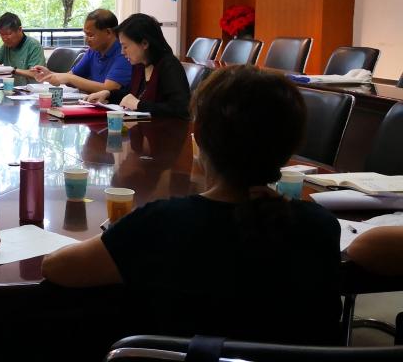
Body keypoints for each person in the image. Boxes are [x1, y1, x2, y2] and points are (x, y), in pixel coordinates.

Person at [41, 65, 341, 346]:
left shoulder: (162, 223)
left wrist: (121, 232)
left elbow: (56, 267)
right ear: (290, 148)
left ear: (202, 139)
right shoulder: (320, 226)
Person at [84, 14, 190, 119]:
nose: (122, 52)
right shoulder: (139, 65)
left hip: (165, 128)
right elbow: (132, 95)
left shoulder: (169, 66)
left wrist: (139, 105)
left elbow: (181, 109)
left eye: (125, 46)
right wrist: (108, 94)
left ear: (144, 43)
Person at [30, 9, 131, 93]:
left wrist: (69, 78)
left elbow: (109, 89)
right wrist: (49, 75)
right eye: (85, 34)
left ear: (108, 32)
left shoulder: (124, 52)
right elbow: (71, 76)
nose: (86, 40)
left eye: (91, 35)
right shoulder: (93, 50)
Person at [0, 12, 45, 79]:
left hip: (29, 87)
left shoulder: (34, 46)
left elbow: (35, 74)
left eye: (8, 34)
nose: (5, 38)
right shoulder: (7, 45)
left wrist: (12, 70)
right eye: (2, 34)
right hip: (10, 86)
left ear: (20, 29)